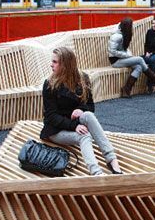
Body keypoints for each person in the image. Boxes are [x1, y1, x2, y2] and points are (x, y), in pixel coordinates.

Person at [41, 47, 122, 175]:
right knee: (84, 135)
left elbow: (90, 106)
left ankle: (111, 159)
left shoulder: (82, 78)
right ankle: (96, 173)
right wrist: (74, 126)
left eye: (55, 62)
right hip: (56, 130)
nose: (51, 64)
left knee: (88, 115)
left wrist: (80, 109)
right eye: (52, 61)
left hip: (76, 121)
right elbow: (51, 116)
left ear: (66, 64)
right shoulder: (49, 84)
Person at [108, 17, 155, 98]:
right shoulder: (116, 36)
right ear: (127, 26)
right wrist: (128, 56)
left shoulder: (122, 33)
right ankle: (153, 78)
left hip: (122, 59)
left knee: (138, 67)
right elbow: (112, 51)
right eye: (131, 26)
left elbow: (124, 49)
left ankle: (126, 89)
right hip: (115, 61)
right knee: (140, 59)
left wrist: (128, 54)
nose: (131, 28)